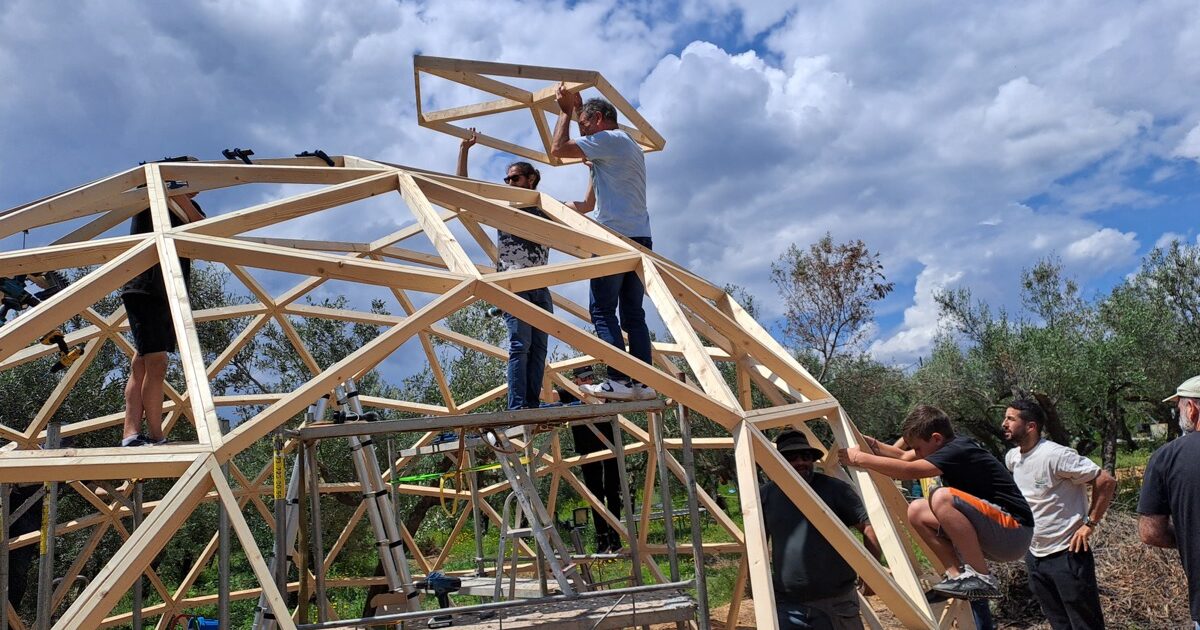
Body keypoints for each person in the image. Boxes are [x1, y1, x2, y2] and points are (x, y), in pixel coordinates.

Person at [838, 405, 1033, 600]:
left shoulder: (959, 449)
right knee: (917, 510)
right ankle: (956, 575)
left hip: (1014, 531)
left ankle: (981, 577)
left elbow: (909, 470)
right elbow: (904, 457)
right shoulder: (944, 447)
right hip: (995, 535)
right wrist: (870, 443)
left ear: (937, 438)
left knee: (941, 497)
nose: (916, 452)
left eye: (918, 448)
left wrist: (859, 458)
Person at [550, 85, 655, 402]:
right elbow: (587, 204)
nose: (584, 137)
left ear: (597, 120)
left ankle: (619, 378)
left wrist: (566, 111)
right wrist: (560, 209)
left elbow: (557, 149)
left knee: (601, 310)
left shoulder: (609, 139)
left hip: (613, 238)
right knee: (633, 314)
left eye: (585, 128)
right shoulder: (626, 147)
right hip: (640, 237)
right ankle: (642, 381)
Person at [458, 129, 553, 410]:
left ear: (531, 179)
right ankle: (518, 405)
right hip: (513, 285)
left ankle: (532, 403)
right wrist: (464, 150)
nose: (509, 182)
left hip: (540, 285)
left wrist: (594, 172)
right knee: (520, 345)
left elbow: (585, 207)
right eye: (507, 179)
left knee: (538, 349)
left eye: (514, 178)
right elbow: (462, 191)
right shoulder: (502, 207)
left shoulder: (546, 209)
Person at [1003, 399, 1116, 629]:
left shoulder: (1055, 455)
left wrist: (1090, 523)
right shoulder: (1013, 458)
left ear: (1031, 426)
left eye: (1010, 419)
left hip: (1068, 554)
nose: (1004, 423)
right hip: (1035, 556)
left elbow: (1105, 480)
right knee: (1058, 623)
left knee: (1085, 624)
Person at [764, 430, 881, 629]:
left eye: (805, 456)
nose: (800, 462)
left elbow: (868, 529)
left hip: (836, 601)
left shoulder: (835, 489)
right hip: (788, 604)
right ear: (779, 461)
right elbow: (757, 542)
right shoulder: (766, 495)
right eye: (791, 457)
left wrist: (871, 574)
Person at [121, 184, 205, 446]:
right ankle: (155, 436)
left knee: (142, 363)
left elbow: (200, 226)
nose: (199, 187)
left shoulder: (183, 204)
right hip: (145, 287)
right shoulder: (150, 193)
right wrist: (168, 187)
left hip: (167, 291)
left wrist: (178, 193)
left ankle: (131, 434)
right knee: (156, 363)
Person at [1138, 374, 1200, 629]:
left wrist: (1188, 538)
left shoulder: (1167, 457)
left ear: (1191, 408)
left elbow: (1150, 532)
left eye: (1178, 407)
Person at [552, 365, 624, 552]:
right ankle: (602, 538)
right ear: (575, 379)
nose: (588, 381)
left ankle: (615, 535)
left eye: (590, 377)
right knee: (595, 494)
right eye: (583, 378)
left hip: (610, 447)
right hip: (587, 450)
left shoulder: (600, 390)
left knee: (612, 492)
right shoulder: (569, 393)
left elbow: (618, 394)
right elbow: (550, 395)